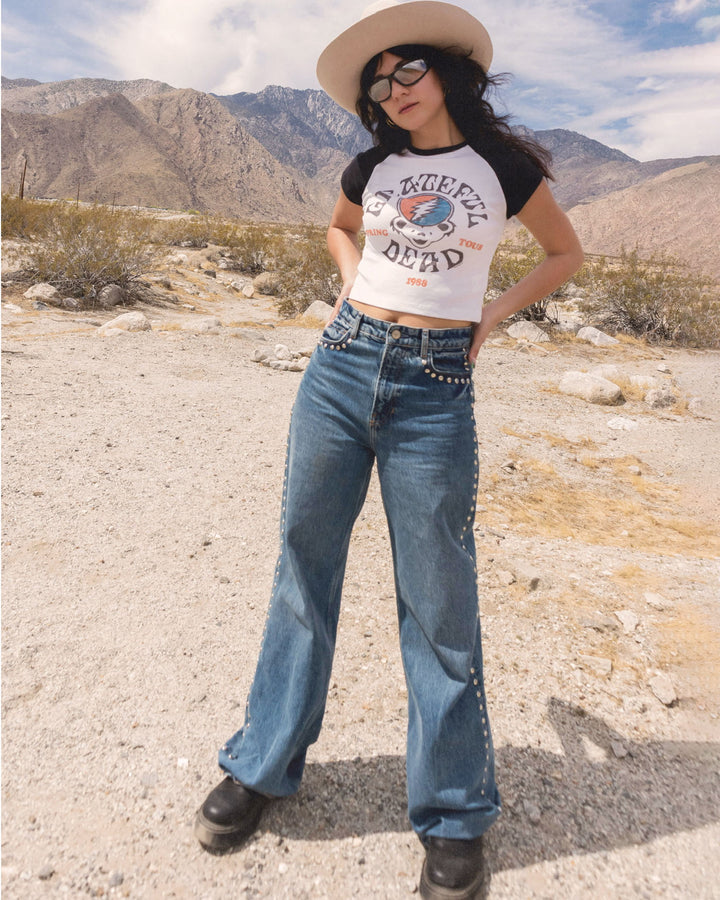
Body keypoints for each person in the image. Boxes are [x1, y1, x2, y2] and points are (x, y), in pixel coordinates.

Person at [194, 1, 583, 897]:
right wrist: (346, 293)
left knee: (437, 597)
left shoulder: (503, 168)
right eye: (378, 81)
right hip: (342, 368)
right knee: (304, 566)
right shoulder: (371, 166)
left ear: (447, 71)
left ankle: (452, 814)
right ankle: (262, 765)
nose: (392, 89)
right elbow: (338, 230)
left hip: (435, 386)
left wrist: (489, 314)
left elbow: (564, 252)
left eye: (406, 69)